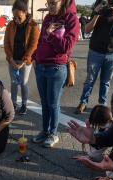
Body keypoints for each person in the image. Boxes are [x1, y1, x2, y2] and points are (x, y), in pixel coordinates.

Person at [32, 0, 79, 148]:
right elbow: (40, 41)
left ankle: (53, 133)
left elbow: (65, 47)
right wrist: (35, 57)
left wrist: (51, 34)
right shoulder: (47, 18)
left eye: (53, 3)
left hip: (56, 67)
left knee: (53, 104)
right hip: (41, 66)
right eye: (48, 3)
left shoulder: (71, 19)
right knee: (44, 103)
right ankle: (45, 131)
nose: (50, 6)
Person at [75, 0, 113, 114]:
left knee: (105, 81)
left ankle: (102, 104)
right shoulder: (100, 3)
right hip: (95, 50)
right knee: (90, 80)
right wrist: (96, 13)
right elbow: (87, 29)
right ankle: (83, 102)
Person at [4, 0, 40, 114]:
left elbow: (34, 45)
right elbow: (6, 44)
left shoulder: (33, 25)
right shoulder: (10, 25)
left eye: (19, 17)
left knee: (23, 82)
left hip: (25, 61)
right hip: (13, 59)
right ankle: (13, 104)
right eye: (14, 17)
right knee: (14, 82)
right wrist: (10, 59)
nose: (16, 20)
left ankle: (24, 104)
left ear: (25, 12)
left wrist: (24, 61)